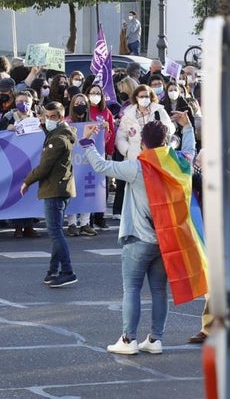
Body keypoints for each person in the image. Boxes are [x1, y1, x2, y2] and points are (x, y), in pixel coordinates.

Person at [83, 114, 196, 355]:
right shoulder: (179, 164)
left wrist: (87, 142)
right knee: (158, 290)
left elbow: (102, 166)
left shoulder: (138, 166)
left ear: (143, 144)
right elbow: (190, 151)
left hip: (138, 238)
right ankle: (155, 339)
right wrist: (187, 127)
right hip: (166, 239)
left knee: (132, 289)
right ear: (166, 142)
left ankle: (128, 339)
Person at [19, 102, 79, 288]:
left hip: (54, 190)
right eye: (46, 116)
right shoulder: (64, 134)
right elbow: (53, 140)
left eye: (52, 117)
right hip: (62, 188)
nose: (47, 120)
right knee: (56, 231)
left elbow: (44, 167)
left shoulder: (58, 140)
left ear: (60, 117)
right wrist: (45, 129)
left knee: (55, 232)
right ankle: (53, 270)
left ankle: (67, 271)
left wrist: (27, 181)